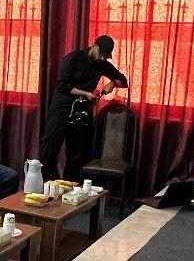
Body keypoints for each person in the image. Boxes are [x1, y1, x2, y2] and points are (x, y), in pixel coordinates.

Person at [39, 35, 128, 181]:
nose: (102, 58)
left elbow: (123, 81)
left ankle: (69, 187)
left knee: (76, 155)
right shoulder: (73, 58)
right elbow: (62, 85)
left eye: (105, 56)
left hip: (82, 111)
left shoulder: (102, 64)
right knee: (49, 149)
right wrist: (85, 93)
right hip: (62, 108)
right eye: (101, 54)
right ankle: (41, 185)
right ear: (95, 46)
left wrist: (112, 83)